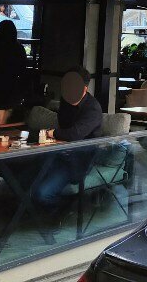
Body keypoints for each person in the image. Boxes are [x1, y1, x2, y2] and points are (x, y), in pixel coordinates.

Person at [35, 67, 103, 208]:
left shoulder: (93, 108)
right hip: (58, 153)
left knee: (43, 193)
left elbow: (74, 134)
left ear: (84, 89)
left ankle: (67, 210)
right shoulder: (66, 103)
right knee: (24, 179)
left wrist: (52, 133)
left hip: (80, 159)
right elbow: (64, 128)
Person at [0, 19, 28, 125]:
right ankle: (2, 132)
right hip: (13, 85)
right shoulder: (19, 48)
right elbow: (23, 68)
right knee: (8, 113)